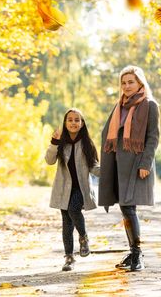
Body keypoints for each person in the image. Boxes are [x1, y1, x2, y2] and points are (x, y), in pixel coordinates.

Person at [99, 65, 160, 272]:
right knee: (125, 207)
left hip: (136, 164)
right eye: (123, 83)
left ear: (140, 83)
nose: (126, 86)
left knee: (128, 207)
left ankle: (137, 255)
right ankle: (133, 251)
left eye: (130, 82)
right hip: (117, 164)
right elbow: (108, 135)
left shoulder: (150, 106)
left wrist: (145, 163)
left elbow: (153, 138)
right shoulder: (119, 107)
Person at [45, 108, 100, 271]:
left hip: (81, 189)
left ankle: (83, 237)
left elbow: (94, 166)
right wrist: (54, 143)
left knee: (74, 210)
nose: (73, 123)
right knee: (66, 224)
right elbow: (49, 160)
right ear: (65, 122)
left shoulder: (87, 143)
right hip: (63, 189)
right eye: (70, 120)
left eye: (77, 120)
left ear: (82, 124)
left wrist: (109, 172)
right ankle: (69, 258)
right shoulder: (60, 142)